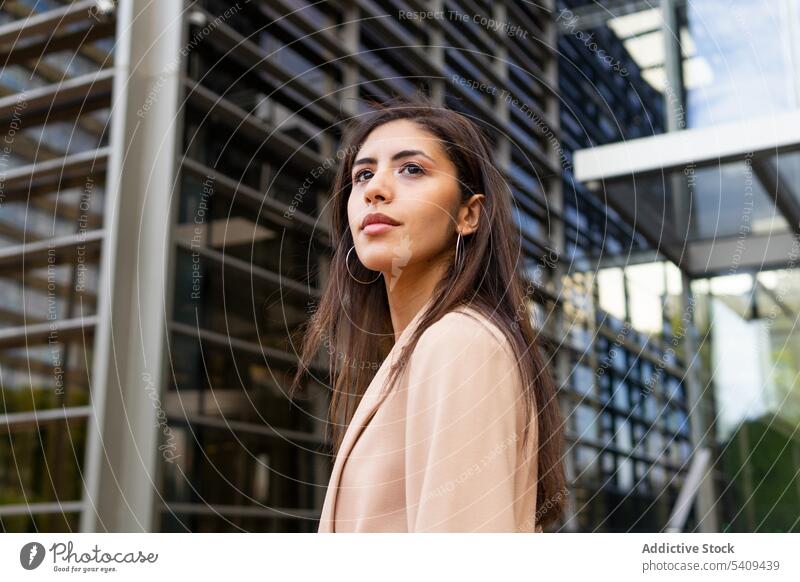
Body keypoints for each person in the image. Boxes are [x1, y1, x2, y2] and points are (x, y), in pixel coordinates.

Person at [292, 96, 565, 532]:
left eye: (411, 169)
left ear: (468, 214)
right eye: (363, 174)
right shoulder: (421, 349)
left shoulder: (461, 343)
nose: (374, 189)